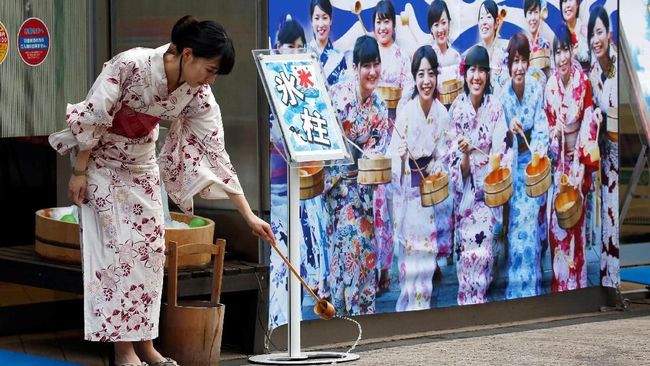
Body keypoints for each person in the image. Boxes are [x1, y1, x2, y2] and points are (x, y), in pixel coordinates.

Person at [49, 15, 273, 366]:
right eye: (210, 69)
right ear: (187, 54)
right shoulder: (130, 64)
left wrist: (248, 215)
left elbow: (216, 152)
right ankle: (123, 351)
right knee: (115, 255)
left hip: (141, 166)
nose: (210, 79)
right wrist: (79, 171)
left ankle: (147, 345)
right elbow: (94, 117)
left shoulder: (197, 93)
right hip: (102, 164)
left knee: (151, 252)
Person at [268, 17, 330, 327]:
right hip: (274, 197)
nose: (293, 52)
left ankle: (295, 329)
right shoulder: (266, 89)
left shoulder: (309, 91)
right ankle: (278, 329)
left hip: (304, 194)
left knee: (305, 265)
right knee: (279, 268)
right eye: (287, 47)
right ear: (276, 49)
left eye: (298, 47)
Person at [326, 35, 389, 315]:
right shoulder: (337, 97)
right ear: (355, 68)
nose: (372, 71)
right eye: (366, 65)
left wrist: (366, 157)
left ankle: (360, 312)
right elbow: (324, 141)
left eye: (376, 64)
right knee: (348, 245)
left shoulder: (379, 107)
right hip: (337, 188)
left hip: (364, 189)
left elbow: (377, 149)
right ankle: (344, 310)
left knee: (365, 248)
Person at [387, 45, 453, 311]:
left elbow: (445, 156)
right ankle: (406, 314)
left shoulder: (441, 114)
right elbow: (393, 159)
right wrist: (401, 158)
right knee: (409, 270)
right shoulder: (406, 114)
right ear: (414, 78)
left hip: (430, 200)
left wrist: (435, 169)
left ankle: (421, 313)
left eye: (431, 74)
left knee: (425, 267)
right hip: (408, 200)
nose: (426, 81)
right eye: (421, 74)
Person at [449, 45, 512, 305]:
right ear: (465, 74)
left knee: (484, 244)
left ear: (487, 75)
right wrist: (465, 155)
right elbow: (454, 164)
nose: (476, 76)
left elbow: (501, 151)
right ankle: (467, 298)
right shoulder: (456, 110)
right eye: (472, 70)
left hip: (488, 191)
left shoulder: (495, 107)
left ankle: (479, 297)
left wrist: (490, 165)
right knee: (466, 250)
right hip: (465, 195)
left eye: (481, 71)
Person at [544, 24, 600, 292]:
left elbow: (588, 121)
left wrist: (578, 160)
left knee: (576, 222)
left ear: (571, 51)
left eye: (565, 50)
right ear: (554, 57)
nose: (563, 57)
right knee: (558, 223)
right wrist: (554, 137)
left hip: (576, 162)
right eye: (558, 52)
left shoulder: (583, 82)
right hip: (560, 166)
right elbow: (548, 129)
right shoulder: (550, 87)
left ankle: (577, 284)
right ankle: (561, 281)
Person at [499, 32, 549, 299]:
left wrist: (536, 157)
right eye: (514, 61)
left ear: (529, 63)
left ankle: (531, 288)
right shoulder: (501, 93)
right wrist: (509, 130)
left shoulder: (535, 88)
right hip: (511, 167)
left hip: (532, 166)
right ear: (508, 64)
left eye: (523, 61)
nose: (518, 67)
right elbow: (498, 137)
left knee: (529, 226)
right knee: (517, 230)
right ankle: (516, 291)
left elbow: (542, 127)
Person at [587, 6, 619, 288]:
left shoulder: (622, 68)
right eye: (591, 35)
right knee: (607, 221)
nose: (595, 40)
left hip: (628, 153)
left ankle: (623, 282)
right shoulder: (592, 73)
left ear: (608, 34)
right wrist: (595, 113)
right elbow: (592, 109)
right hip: (606, 157)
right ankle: (609, 286)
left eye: (599, 32)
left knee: (619, 218)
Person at [427, 0, 462, 108]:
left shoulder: (457, 57)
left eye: (443, 23)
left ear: (449, 23)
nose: (440, 29)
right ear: (431, 28)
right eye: (436, 25)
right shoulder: (427, 58)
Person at [308, 0, 347, 86]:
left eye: (325, 18)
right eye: (317, 18)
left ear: (331, 20)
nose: (321, 24)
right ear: (311, 21)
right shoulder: (304, 53)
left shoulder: (339, 57)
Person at [475, 0, 509, 97]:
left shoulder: (506, 50)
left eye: (489, 17)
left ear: (496, 22)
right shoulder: (475, 53)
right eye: (481, 17)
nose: (484, 22)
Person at [523, 0, 552, 84]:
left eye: (536, 12)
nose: (533, 18)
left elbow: (549, 74)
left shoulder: (546, 44)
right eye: (530, 13)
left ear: (540, 14)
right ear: (525, 16)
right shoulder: (522, 45)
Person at [560, 0, 589, 69]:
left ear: (577, 4)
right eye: (564, 1)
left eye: (570, 0)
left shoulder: (586, 32)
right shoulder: (559, 36)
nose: (567, 5)